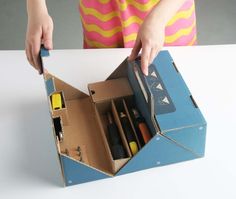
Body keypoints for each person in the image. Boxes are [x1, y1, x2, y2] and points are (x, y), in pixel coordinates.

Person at [25, 0, 196, 75]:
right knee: (106, 78)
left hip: (166, 14)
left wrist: (158, 18)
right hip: (103, 16)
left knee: (172, 83)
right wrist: (36, 9)